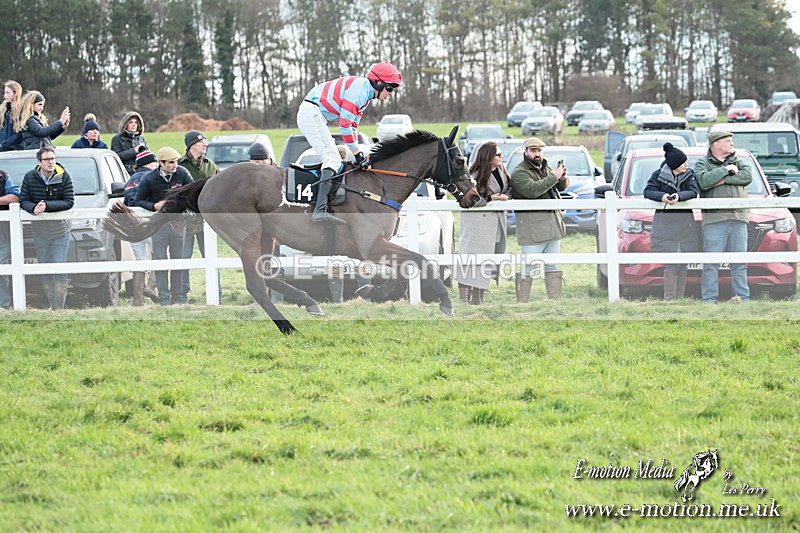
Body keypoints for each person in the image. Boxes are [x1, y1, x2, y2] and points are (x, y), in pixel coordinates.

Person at [297, 61, 402, 224]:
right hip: (310, 113)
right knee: (332, 159)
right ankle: (319, 210)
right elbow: (344, 126)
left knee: (335, 161)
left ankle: (324, 207)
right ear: (378, 83)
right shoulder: (359, 92)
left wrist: (359, 154)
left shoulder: (366, 96)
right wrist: (356, 154)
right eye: (390, 88)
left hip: (316, 114)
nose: (390, 93)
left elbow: (353, 127)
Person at [695, 130, 752, 304]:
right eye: (728, 141)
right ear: (716, 144)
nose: (732, 144)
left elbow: (747, 176)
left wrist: (724, 180)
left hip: (738, 217)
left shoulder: (739, 161)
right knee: (711, 262)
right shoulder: (702, 163)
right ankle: (709, 300)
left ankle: (742, 298)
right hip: (715, 219)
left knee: (739, 262)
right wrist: (726, 170)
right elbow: (704, 182)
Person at [510, 137, 568, 302]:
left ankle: (554, 301)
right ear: (526, 152)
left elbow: (558, 187)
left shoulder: (545, 168)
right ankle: (522, 302)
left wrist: (562, 179)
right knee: (528, 265)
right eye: (533, 150)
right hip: (532, 228)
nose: (537, 154)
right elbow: (532, 190)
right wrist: (554, 176)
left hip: (553, 225)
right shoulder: (519, 172)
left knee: (553, 264)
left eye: (539, 150)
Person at [453, 141, 511, 305]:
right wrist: (489, 199)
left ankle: (478, 298)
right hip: (476, 222)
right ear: (488, 157)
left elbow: (509, 189)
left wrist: (506, 197)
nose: (501, 157)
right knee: (469, 258)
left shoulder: (502, 171)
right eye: (498, 154)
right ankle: (464, 298)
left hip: (495, 220)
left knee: (487, 259)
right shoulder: (474, 175)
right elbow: (468, 199)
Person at [135, 146, 193, 305]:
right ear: (161, 163)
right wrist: (153, 206)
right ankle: (164, 298)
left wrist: (180, 203)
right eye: (170, 162)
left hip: (179, 223)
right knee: (160, 261)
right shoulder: (149, 178)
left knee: (178, 260)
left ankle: (178, 297)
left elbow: (192, 193)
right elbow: (139, 199)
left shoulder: (183, 173)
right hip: (158, 225)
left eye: (175, 162)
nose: (174, 165)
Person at [20, 147, 74, 310]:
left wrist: (47, 206)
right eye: (47, 159)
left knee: (59, 264)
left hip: (61, 229)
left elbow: (69, 201)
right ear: (39, 162)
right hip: (39, 230)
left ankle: (59, 307)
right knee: (44, 265)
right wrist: (33, 208)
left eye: (52, 159)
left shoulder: (64, 176)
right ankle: (51, 304)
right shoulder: (30, 177)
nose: (51, 162)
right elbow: (24, 199)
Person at [643, 143, 700, 300]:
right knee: (671, 262)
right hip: (665, 224)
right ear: (675, 165)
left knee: (683, 262)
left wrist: (679, 196)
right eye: (683, 162)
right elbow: (648, 191)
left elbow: (693, 191)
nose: (686, 165)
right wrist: (662, 197)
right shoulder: (657, 175)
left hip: (685, 224)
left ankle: (679, 298)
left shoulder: (689, 174)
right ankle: (670, 299)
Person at [178, 130, 220, 300]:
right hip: (186, 221)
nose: (205, 144)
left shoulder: (211, 166)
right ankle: (182, 296)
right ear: (191, 145)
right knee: (183, 258)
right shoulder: (179, 165)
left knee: (211, 258)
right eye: (202, 141)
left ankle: (217, 293)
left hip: (206, 221)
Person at [124, 146, 159, 306]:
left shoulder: (130, 180)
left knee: (140, 260)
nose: (157, 164)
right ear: (149, 163)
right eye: (155, 162)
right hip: (147, 222)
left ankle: (137, 300)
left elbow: (126, 201)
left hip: (131, 224)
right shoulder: (151, 178)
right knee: (160, 254)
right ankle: (150, 287)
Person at [0, 169, 21, 310]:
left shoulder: (3, 177)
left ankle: (3, 305)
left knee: (1, 266)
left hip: (2, 231)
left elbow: (15, 197)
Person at [0, 80, 23, 152]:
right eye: (5, 92)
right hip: (2, 150)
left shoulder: (21, 111)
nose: (4, 96)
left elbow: (20, 134)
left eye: (7, 93)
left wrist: (4, 144)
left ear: (15, 93)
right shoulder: (2, 110)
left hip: (14, 150)